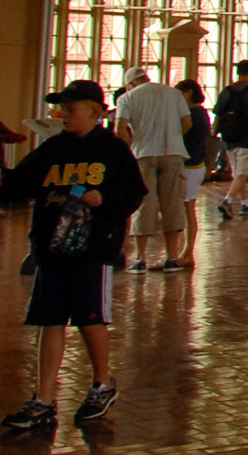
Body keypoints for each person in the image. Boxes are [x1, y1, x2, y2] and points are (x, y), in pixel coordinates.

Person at [0, 80, 147, 433]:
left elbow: (133, 193)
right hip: (53, 248)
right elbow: (19, 185)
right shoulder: (53, 149)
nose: (63, 115)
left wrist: (104, 199)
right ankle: (44, 399)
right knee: (50, 319)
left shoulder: (112, 151)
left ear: (95, 112)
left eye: (70, 108)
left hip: (92, 249)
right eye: (61, 109)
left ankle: (101, 383)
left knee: (89, 318)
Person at [113, 67, 192, 273]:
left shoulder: (127, 98)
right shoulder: (173, 93)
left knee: (144, 204)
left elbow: (119, 129)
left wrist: (130, 145)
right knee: (172, 204)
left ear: (129, 84)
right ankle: (172, 257)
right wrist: (173, 138)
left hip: (143, 154)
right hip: (173, 153)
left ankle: (140, 258)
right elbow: (187, 123)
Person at [212, 61, 248, 220]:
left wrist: (215, 133)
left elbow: (217, 115)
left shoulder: (226, 91)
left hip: (230, 139)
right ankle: (227, 201)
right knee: (243, 174)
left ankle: (245, 203)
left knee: (238, 174)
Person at [176, 78, 214, 260]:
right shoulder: (201, 113)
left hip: (190, 166)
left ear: (189, 93)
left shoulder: (192, 114)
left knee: (187, 209)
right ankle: (186, 251)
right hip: (196, 164)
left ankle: (187, 252)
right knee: (187, 208)